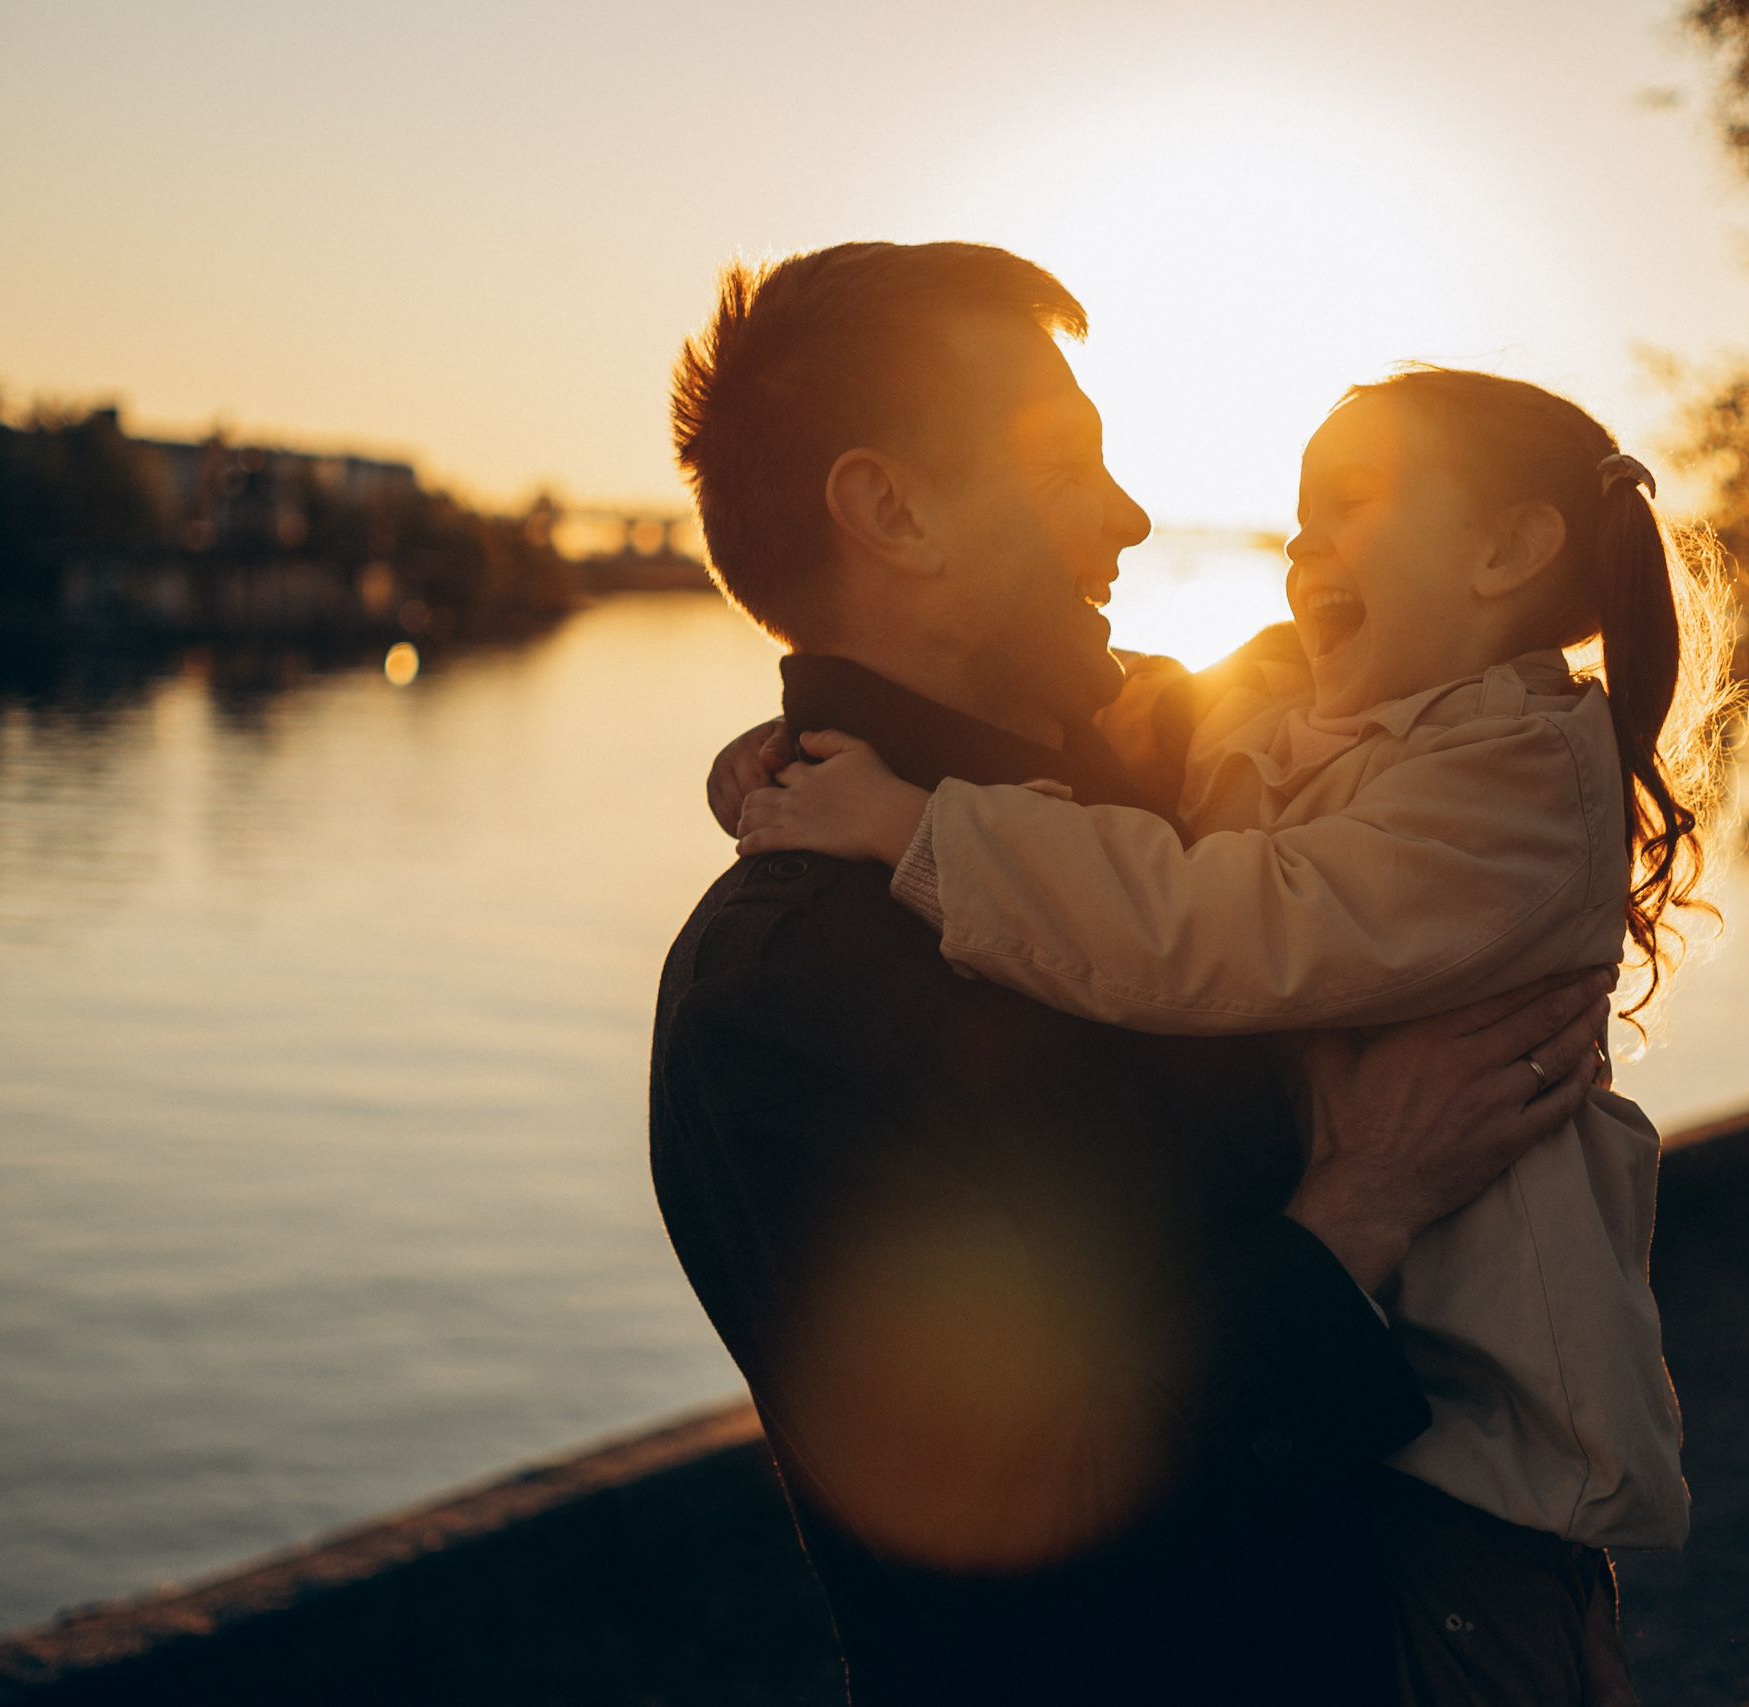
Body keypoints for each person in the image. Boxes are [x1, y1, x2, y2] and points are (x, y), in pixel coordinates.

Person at [649, 240, 1614, 1707]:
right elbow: (1017, 1541)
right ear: (891, 509)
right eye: (1066, 464)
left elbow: (1374, 737)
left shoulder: (1179, 800)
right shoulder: (785, 989)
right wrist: (1355, 1210)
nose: (1131, 514)